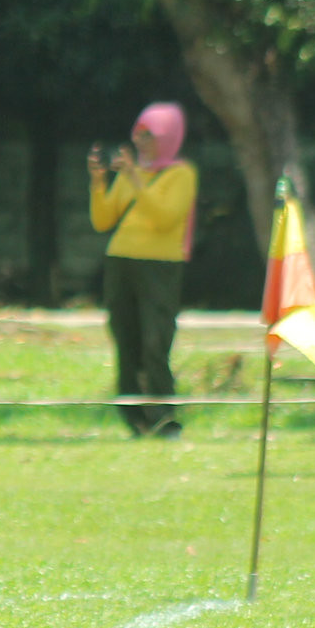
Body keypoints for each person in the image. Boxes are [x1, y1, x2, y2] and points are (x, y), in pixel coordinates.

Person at [89, 102, 199, 438]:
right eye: (137, 135)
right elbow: (103, 220)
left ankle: (163, 418)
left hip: (160, 267)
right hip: (120, 262)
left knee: (155, 340)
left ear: (167, 137)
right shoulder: (131, 174)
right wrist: (98, 183)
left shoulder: (181, 174)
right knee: (125, 338)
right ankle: (133, 418)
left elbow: (165, 218)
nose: (140, 142)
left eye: (148, 135)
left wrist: (135, 179)